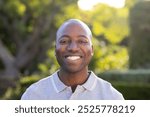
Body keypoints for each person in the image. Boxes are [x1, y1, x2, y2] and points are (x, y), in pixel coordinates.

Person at [21, 19, 124, 100]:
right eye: (64, 41)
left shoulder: (112, 98)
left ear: (92, 50)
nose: (73, 48)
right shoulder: (33, 96)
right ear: (55, 49)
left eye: (82, 41)